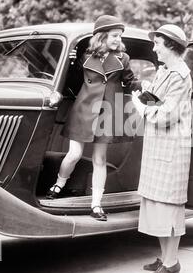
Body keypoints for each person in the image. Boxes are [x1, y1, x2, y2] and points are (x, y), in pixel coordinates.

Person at [46, 15, 141, 221]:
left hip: (107, 111)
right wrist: (67, 69)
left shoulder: (123, 59)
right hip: (84, 109)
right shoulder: (85, 57)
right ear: (102, 36)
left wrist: (149, 91)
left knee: (100, 159)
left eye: (119, 36)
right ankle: (58, 185)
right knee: (73, 154)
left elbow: (130, 82)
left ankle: (96, 205)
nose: (118, 39)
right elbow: (71, 82)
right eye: (114, 35)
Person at [132, 24, 192, 273]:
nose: (154, 47)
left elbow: (167, 115)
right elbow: (160, 102)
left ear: (170, 46)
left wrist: (140, 106)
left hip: (172, 145)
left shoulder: (180, 75)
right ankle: (165, 258)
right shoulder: (165, 70)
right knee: (156, 201)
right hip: (158, 143)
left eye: (157, 43)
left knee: (169, 204)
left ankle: (172, 263)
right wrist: (146, 95)